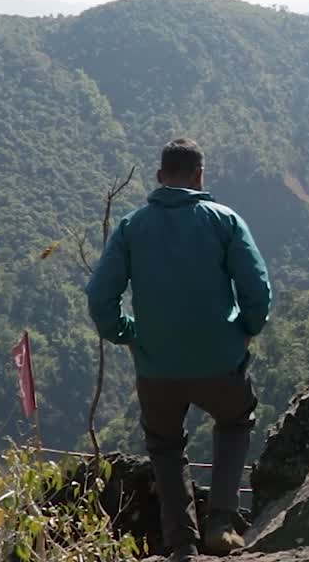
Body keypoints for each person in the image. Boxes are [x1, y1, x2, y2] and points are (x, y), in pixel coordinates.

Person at [86, 138, 272, 561]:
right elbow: (256, 289)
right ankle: (221, 522)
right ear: (200, 176)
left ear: (158, 177)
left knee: (166, 445)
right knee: (234, 420)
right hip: (221, 362)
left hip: (157, 368)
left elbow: (99, 296)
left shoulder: (133, 228)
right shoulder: (224, 221)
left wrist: (126, 332)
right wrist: (247, 328)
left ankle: (182, 544)